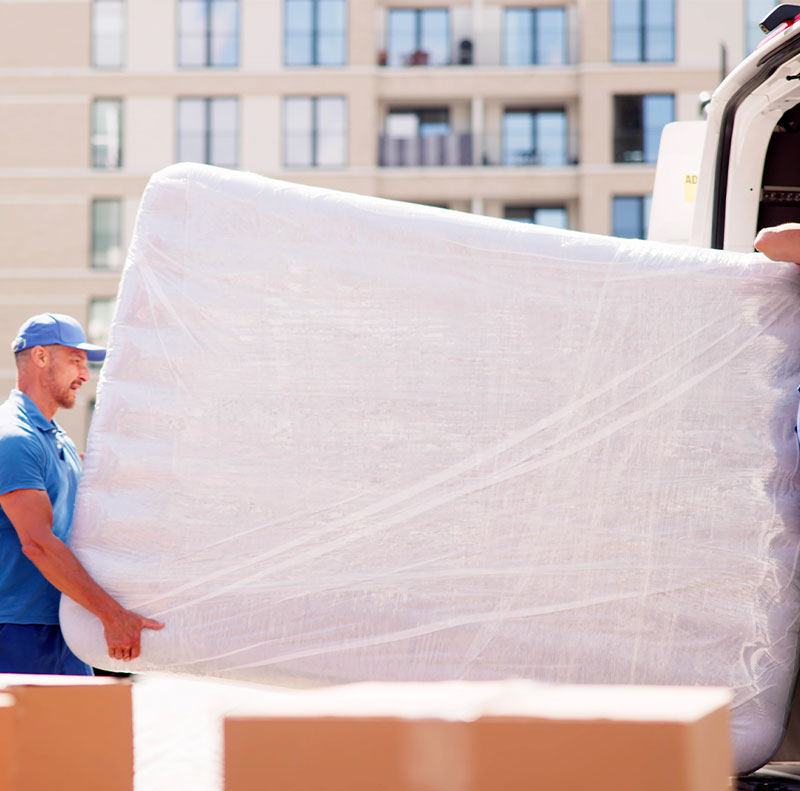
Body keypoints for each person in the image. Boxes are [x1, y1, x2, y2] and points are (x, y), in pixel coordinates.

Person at [0, 313, 163, 674]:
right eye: (75, 361)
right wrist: (111, 614)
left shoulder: (57, 440)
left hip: (66, 625)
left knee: (80, 731)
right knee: (23, 732)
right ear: (41, 357)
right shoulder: (14, 438)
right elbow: (37, 543)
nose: (85, 375)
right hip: (18, 630)